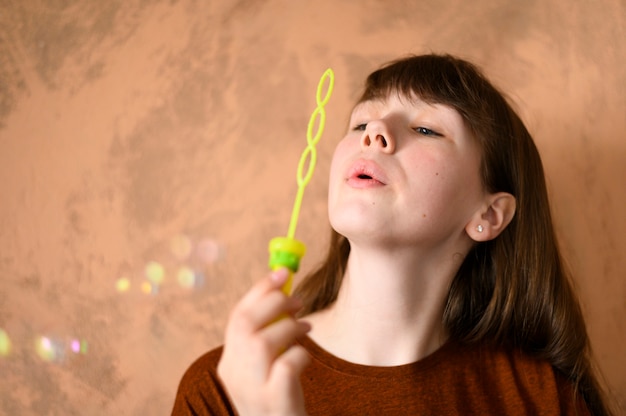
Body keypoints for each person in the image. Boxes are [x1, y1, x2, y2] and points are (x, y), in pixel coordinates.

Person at [172, 54, 612, 415]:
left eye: (425, 128)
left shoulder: (539, 400)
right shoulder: (221, 389)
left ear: (489, 215)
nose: (375, 135)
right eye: (361, 124)